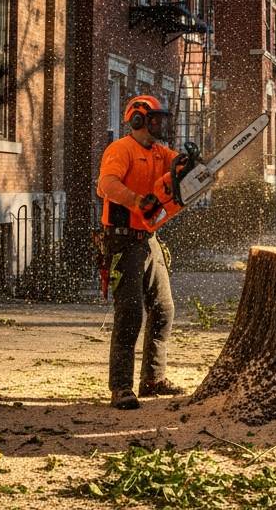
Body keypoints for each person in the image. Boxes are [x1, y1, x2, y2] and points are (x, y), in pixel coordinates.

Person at [97, 94, 185, 410]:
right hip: (121, 240)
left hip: (149, 239)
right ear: (138, 120)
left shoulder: (161, 153)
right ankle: (120, 387)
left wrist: (197, 169)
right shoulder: (121, 150)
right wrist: (135, 200)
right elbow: (106, 184)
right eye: (155, 120)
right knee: (130, 313)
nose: (161, 125)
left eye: (163, 119)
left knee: (163, 308)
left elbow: (179, 168)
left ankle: (153, 378)